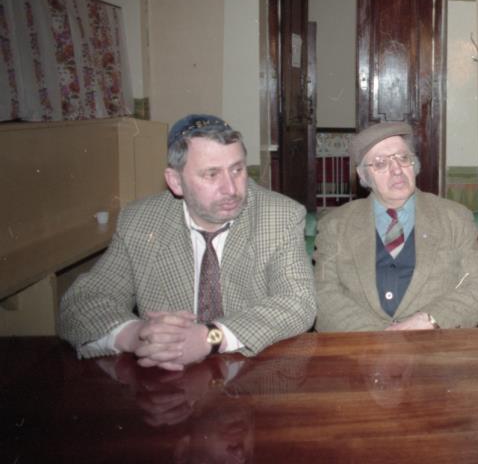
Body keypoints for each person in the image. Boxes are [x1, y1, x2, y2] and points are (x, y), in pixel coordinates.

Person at [59, 114, 317, 369]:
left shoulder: (278, 215)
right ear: (175, 182)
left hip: (253, 373)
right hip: (165, 376)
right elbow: (83, 300)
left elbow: (297, 302)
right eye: (211, 175)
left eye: (237, 170)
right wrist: (137, 335)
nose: (231, 189)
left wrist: (210, 337)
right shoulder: (140, 221)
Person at [314, 122, 478, 331]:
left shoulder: (454, 217)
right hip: (360, 344)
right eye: (381, 163)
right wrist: (375, 337)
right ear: (363, 175)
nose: (397, 170)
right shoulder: (336, 225)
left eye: (403, 158)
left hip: (434, 342)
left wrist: (431, 320)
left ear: (414, 164)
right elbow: (322, 292)